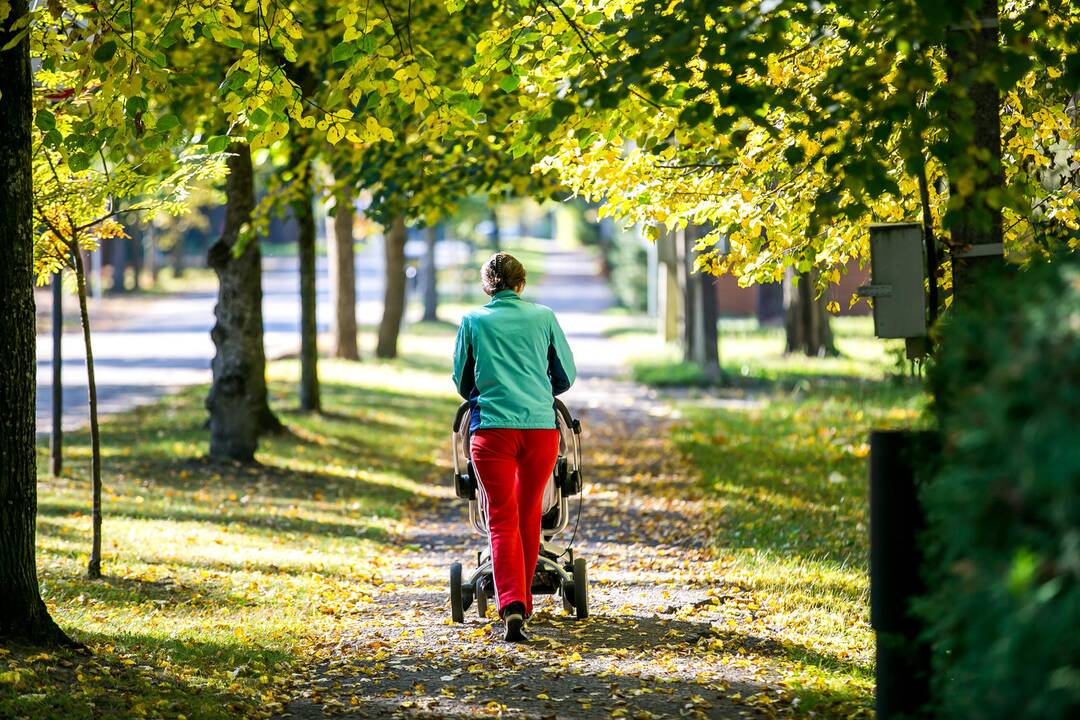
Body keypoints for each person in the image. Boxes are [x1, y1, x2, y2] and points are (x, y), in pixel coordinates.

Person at [452, 252, 576, 642]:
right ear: (521, 284)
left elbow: (462, 379)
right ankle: (522, 603)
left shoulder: (473, 321)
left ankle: (514, 608)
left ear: (487, 287)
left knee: (501, 518)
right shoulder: (544, 317)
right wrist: (535, 393)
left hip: (492, 431)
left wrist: (493, 392)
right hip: (540, 428)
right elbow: (565, 375)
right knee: (528, 517)